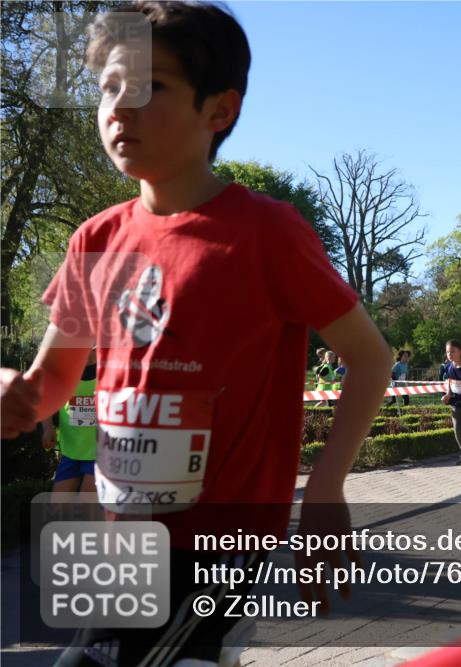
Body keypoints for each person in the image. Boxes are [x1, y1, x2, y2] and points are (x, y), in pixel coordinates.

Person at [0, 3, 393, 664]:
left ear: (220, 110)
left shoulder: (266, 232)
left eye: (150, 87)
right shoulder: (95, 239)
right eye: (108, 88)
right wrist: (12, 392)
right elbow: (47, 386)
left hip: (217, 546)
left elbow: (370, 357)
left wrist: (325, 489)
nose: (119, 108)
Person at [42, 349, 99, 494]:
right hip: (70, 451)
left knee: (87, 507)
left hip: (100, 453)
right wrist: (48, 427)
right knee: (58, 508)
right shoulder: (63, 366)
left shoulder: (110, 365)